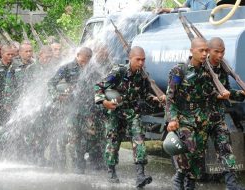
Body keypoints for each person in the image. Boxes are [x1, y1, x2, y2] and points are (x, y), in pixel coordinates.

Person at [94, 46, 164, 188]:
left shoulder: (143, 75)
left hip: (132, 112)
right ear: (130, 58)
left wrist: (157, 99)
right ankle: (111, 171)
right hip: (115, 112)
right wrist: (104, 102)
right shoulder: (118, 71)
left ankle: (140, 175)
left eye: (143, 60)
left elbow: (144, 95)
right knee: (113, 141)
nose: (141, 63)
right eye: (138, 59)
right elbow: (99, 86)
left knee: (139, 140)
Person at [165, 37, 230, 189]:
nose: (204, 54)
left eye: (206, 50)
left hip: (202, 119)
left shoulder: (207, 71)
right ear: (191, 51)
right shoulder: (179, 70)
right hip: (184, 118)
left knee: (198, 157)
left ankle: (190, 184)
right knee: (189, 147)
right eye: (201, 50)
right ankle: (178, 178)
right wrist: (172, 119)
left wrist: (222, 95)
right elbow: (170, 98)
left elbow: (211, 93)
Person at [207, 37, 245, 190]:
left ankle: (231, 185)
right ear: (209, 51)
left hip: (217, 116)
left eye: (222, 52)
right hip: (199, 117)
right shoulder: (201, 67)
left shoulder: (223, 67)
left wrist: (241, 94)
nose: (220, 55)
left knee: (226, 148)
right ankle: (184, 183)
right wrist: (216, 95)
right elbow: (196, 91)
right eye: (217, 51)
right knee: (194, 153)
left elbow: (227, 91)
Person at [48, 47, 92, 173]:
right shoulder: (67, 68)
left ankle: (82, 162)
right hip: (70, 108)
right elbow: (51, 83)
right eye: (82, 61)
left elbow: (99, 85)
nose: (84, 64)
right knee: (71, 135)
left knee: (86, 136)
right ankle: (68, 162)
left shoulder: (92, 69)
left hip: (86, 108)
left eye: (87, 61)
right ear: (77, 55)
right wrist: (57, 96)